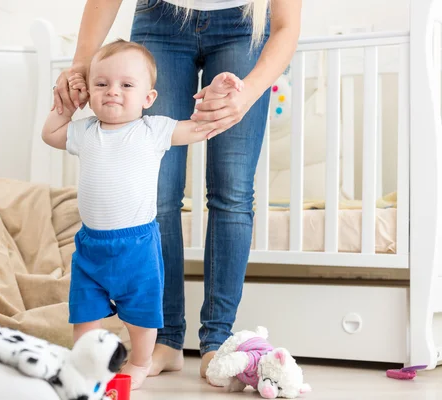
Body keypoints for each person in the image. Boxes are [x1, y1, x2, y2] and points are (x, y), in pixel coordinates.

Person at [52, 0, 301, 382]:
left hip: (243, 26)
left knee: (232, 191)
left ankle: (217, 339)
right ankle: (165, 341)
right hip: (160, 17)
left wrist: (247, 94)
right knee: (161, 193)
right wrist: (81, 65)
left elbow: (286, 24)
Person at [42, 38, 245, 389]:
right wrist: (67, 106)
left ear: (148, 98)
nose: (112, 92)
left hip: (136, 244)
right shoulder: (85, 131)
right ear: (89, 92)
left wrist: (217, 96)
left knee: (142, 312)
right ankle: (86, 361)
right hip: (91, 246)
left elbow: (199, 129)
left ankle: (140, 360)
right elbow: (50, 134)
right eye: (101, 84)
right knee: (85, 312)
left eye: (126, 85)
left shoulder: (154, 130)